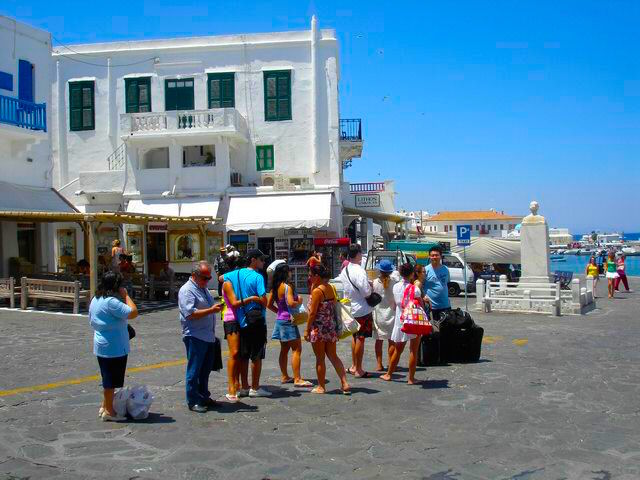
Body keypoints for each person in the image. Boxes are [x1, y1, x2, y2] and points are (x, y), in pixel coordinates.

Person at [89, 271, 138, 421]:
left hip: (102, 342)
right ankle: (109, 411)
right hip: (114, 345)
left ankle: (105, 406)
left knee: (107, 377)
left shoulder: (96, 299)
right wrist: (126, 296)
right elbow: (133, 312)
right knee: (110, 381)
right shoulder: (111, 301)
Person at [223, 249, 271, 398]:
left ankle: (244, 386)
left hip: (241, 320)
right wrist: (254, 298)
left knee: (243, 354)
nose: (263, 262)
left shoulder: (233, 275)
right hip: (256, 320)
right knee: (256, 355)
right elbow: (264, 301)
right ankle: (255, 387)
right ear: (253, 260)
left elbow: (220, 278)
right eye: (261, 259)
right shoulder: (257, 277)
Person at [178, 261, 223, 413]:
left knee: (205, 370)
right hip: (195, 335)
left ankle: (204, 396)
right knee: (194, 370)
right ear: (194, 275)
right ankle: (193, 400)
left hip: (207, 335)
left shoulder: (202, 288)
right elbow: (190, 314)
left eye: (209, 277)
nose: (207, 280)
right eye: (205, 277)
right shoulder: (187, 290)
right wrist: (211, 310)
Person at [303, 264, 351, 395]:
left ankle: (321, 386)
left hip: (318, 328)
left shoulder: (317, 291)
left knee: (320, 358)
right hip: (330, 326)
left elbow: (312, 313)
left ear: (317, 276)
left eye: (310, 275)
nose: (309, 277)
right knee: (333, 356)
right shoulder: (330, 287)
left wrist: (307, 330)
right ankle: (344, 383)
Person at [221, 256, 260, 402]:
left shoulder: (239, 281)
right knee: (235, 352)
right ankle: (231, 386)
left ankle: (241, 384)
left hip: (243, 318)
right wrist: (251, 298)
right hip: (232, 319)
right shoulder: (228, 283)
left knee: (243, 353)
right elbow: (234, 303)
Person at [267, 263, 313, 387]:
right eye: (290, 271)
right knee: (296, 349)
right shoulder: (287, 287)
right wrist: (300, 301)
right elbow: (291, 303)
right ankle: (297, 378)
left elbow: (269, 304)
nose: (291, 273)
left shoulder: (275, 287)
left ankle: (284, 376)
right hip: (289, 321)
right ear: (286, 273)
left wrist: (279, 312)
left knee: (284, 349)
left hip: (280, 321)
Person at [381, 263, 422, 384]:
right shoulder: (415, 289)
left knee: (398, 350)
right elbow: (420, 304)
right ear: (412, 274)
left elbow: (395, 303)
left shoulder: (396, 287)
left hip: (401, 320)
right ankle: (411, 378)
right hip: (413, 320)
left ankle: (389, 374)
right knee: (413, 350)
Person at [338, 243, 374, 378]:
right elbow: (366, 292)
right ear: (358, 254)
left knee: (355, 337)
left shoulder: (345, 270)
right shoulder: (359, 270)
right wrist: (371, 287)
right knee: (361, 338)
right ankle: (358, 369)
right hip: (361, 309)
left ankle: (354, 365)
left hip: (350, 308)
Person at [372, 260, 398, 372]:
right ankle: (391, 363)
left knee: (379, 340)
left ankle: (379, 364)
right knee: (391, 341)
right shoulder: (395, 283)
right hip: (391, 314)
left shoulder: (374, 283)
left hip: (378, 314)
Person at [424, 246, 451, 322]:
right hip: (432, 307)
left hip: (446, 305)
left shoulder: (445, 269)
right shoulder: (425, 270)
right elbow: (420, 286)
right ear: (429, 257)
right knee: (434, 330)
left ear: (441, 256)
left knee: (447, 328)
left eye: (437, 255)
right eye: (432, 255)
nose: (434, 257)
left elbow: (446, 283)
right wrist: (424, 297)